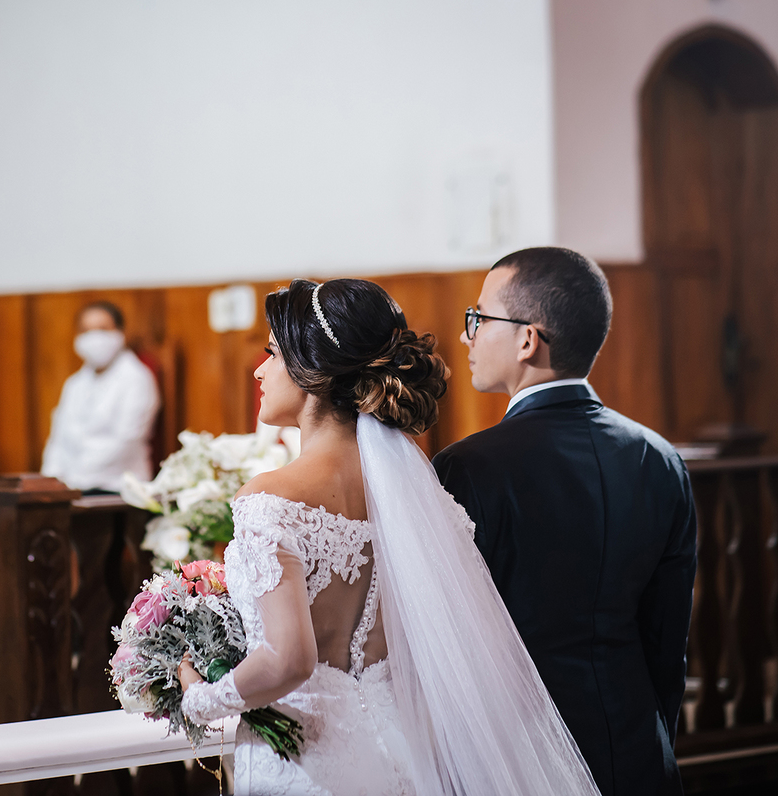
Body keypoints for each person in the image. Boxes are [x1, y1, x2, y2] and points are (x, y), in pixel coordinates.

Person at [178, 278, 600, 795]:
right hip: (401, 755)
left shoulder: (271, 498)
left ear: (313, 370)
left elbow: (290, 661)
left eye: (272, 353)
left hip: (306, 766)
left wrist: (200, 697)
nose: (259, 370)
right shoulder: (416, 499)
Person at [432, 247, 697, 796]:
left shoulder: (469, 468)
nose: (466, 335)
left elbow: (453, 646)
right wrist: (654, 744)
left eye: (478, 318)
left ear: (528, 339)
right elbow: (667, 638)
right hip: (638, 749)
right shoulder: (658, 457)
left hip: (522, 755)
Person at [41, 301, 159, 493]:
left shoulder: (137, 378)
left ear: (120, 333)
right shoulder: (75, 383)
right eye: (86, 330)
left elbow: (127, 440)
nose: (94, 337)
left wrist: (76, 477)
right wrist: (49, 482)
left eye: (103, 329)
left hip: (116, 486)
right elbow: (57, 439)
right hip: (71, 486)